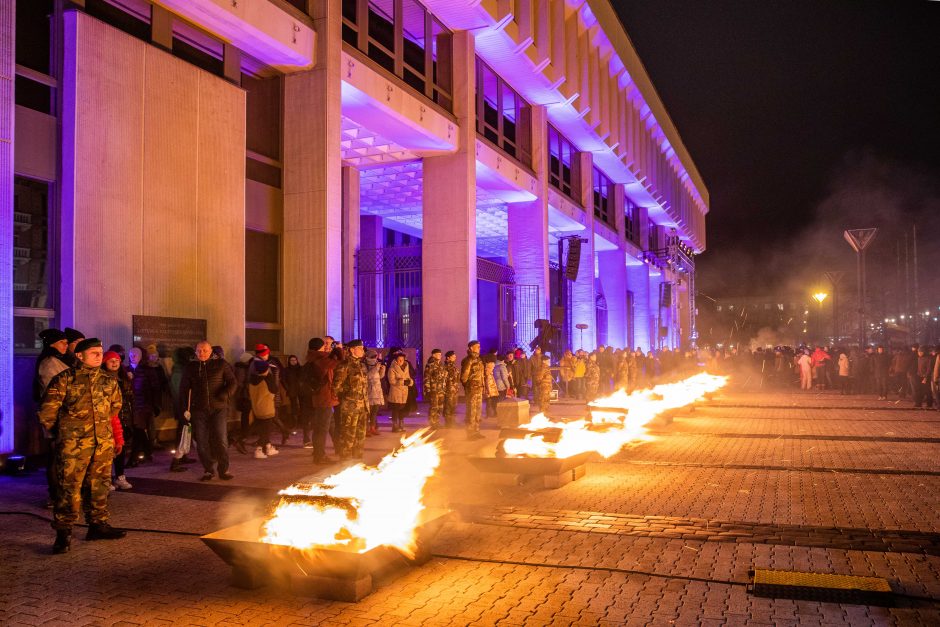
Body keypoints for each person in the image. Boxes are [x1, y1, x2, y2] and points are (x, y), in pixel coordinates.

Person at [39, 338, 127, 554]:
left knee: (100, 485)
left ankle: (97, 525)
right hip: (73, 446)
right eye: (94, 353)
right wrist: (63, 435)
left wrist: (106, 434)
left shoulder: (108, 380)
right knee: (70, 488)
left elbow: (115, 407)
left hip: (101, 444)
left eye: (100, 352)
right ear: (79, 356)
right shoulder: (64, 380)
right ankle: (64, 533)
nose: (99, 356)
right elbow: (48, 413)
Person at [179, 341, 237, 480]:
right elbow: (184, 389)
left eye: (205, 350)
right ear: (195, 352)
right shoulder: (190, 367)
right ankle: (209, 469)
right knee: (201, 441)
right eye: (199, 351)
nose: (202, 353)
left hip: (219, 408)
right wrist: (183, 410)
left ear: (211, 351)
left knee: (221, 439)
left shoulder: (221, 364)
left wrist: (224, 394)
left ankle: (224, 469)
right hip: (198, 409)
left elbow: (233, 382)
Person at [34, 328, 72, 507]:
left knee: (60, 455)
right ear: (52, 344)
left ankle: (62, 493)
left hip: (63, 416)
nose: (66, 345)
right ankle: (56, 494)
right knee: (56, 456)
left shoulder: (59, 361)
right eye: (62, 342)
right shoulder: (50, 363)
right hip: (56, 416)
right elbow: (55, 392)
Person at [127, 344, 168, 467]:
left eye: (136, 355)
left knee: (139, 430)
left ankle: (133, 459)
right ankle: (148, 451)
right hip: (131, 406)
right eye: (131, 355)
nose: (133, 357)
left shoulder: (147, 370)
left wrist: (154, 405)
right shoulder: (126, 369)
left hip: (144, 405)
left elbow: (155, 388)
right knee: (138, 431)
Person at [303, 338, 340, 464]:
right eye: (324, 345)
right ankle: (320, 456)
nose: (326, 347)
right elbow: (338, 363)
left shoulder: (314, 358)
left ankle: (320, 453)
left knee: (323, 427)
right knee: (322, 429)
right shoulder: (320, 359)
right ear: (319, 347)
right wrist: (339, 350)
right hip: (324, 398)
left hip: (321, 398)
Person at [332, 340, 370, 459]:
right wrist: (347, 397)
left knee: (360, 433)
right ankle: (346, 458)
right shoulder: (344, 365)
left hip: (363, 405)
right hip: (350, 406)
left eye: (363, 348)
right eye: (360, 348)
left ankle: (358, 458)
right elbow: (336, 386)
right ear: (352, 350)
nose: (362, 350)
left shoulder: (362, 365)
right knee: (348, 433)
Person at [102, 350, 134, 490]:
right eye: (111, 361)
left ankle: (120, 476)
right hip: (109, 418)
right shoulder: (102, 379)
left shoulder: (124, 379)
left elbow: (130, 399)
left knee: (120, 448)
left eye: (117, 361)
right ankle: (106, 478)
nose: (115, 363)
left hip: (123, 417)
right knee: (107, 451)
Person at [248, 345, 280, 458]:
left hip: (257, 407)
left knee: (262, 428)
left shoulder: (252, 379)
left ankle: (268, 446)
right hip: (267, 408)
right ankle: (259, 449)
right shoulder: (267, 379)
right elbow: (274, 390)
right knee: (266, 430)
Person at [460, 341, 485, 440]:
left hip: (479, 389)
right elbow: (464, 377)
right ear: (471, 348)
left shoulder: (479, 360)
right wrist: (468, 387)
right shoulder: (468, 360)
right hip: (472, 390)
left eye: (479, 346)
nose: (479, 348)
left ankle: (477, 431)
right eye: (477, 347)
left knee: (478, 411)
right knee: (471, 411)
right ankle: (470, 433)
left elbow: (482, 375)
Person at [387, 352, 412, 433]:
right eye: (399, 360)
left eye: (402, 360)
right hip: (396, 392)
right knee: (396, 409)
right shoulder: (392, 368)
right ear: (396, 360)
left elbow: (408, 377)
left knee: (402, 409)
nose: (401, 361)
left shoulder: (406, 367)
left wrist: (410, 382)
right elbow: (392, 381)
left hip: (404, 392)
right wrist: (403, 382)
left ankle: (401, 424)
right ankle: (395, 426)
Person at [423, 349, 446, 429]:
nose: (440, 355)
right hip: (434, 390)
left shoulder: (441, 365)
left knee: (440, 407)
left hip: (441, 390)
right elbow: (426, 378)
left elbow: (443, 378)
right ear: (433, 355)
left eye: (440, 354)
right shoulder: (430, 365)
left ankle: (437, 421)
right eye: (438, 354)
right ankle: (432, 423)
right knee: (434, 407)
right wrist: (428, 390)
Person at [364, 350, 386, 435]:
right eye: (373, 357)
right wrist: (376, 368)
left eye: (375, 357)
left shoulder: (376, 364)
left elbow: (380, 376)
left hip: (377, 391)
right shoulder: (364, 365)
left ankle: (373, 428)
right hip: (369, 391)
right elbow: (367, 376)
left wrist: (382, 370)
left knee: (375, 412)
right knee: (367, 412)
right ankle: (366, 429)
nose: (375, 358)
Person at [282, 355, 304, 430]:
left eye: (295, 360)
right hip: (292, 390)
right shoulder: (286, 370)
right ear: (289, 361)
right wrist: (287, 388)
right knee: (294, 407)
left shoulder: (301, 369)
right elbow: (283, 380)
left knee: (302, 405)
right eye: (292, 360)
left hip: (301, 391)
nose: (293, 362)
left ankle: (302, 422)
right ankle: (294, 423)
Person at [443, 351, 460, 428]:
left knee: (453, 405)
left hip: (454, 390)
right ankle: (448, 423)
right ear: (448, 358)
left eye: (455, 356)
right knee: (448, 406)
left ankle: (452, 421)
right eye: (453, 356)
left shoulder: (453, 366)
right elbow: (444, 379)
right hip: (449, 390)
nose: (455, 357)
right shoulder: (445, 367)